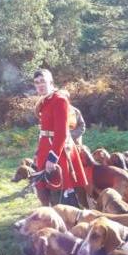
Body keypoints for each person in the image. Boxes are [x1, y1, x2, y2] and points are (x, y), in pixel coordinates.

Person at [33, 69, 88, 207]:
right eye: (37, 82)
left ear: (51, 82)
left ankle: (70, 222)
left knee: (62, 190)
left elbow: (62, 133)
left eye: (43, 81)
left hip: (58, 151)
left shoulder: (59, 100)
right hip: (45, 148)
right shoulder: (44, 101)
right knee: (47, 189)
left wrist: (52, 158)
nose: (40, 85)